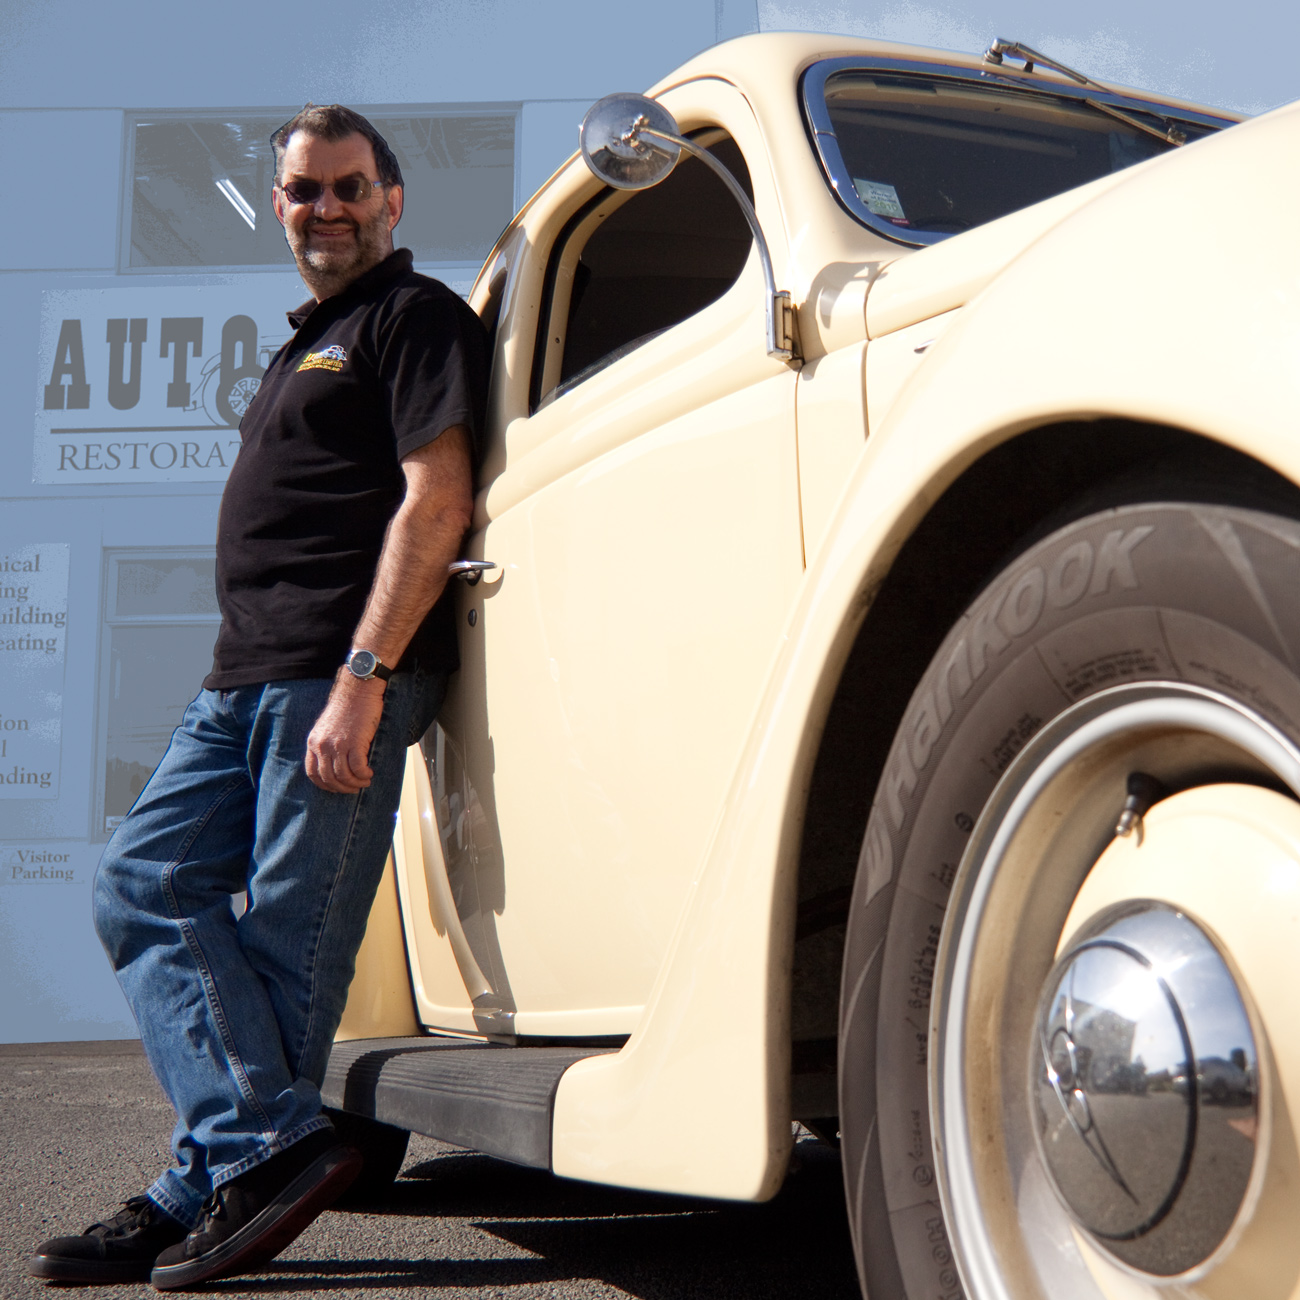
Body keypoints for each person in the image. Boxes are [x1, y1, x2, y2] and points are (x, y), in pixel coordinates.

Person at [29, 104, 489, 1290]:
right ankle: (246, 1154)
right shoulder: (309, 339)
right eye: (301, 189)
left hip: (331, 679)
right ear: (278, 204)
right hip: (240, 677)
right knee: (142, 878)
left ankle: (217, 1176)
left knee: (285, 954)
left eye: (346, 186)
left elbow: (435, 499)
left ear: (391, 200)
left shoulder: (413, 317)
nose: (323, 207)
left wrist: (364, 678)